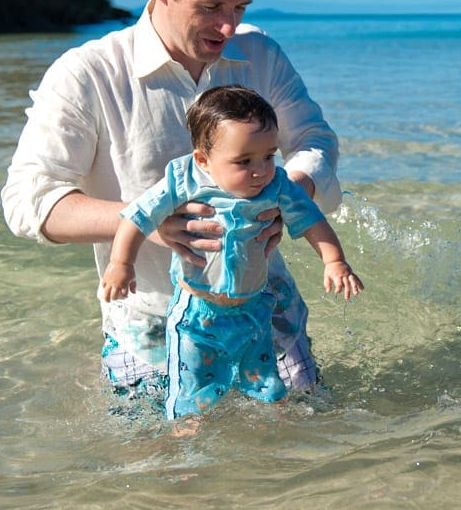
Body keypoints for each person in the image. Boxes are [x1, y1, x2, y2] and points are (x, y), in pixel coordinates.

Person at [1, 0, 340, 399]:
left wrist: (288, 190)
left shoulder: (261, 54)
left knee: (310, 450)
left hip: (267, 307)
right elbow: (28, 203)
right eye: (212, 6)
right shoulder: (87, 73)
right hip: (147, 326)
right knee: (157, 471)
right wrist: (145, 220)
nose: (230, 26)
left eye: (241, 6)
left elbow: (315, 139)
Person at [101, 86, 362, 418]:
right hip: (198, 317)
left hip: (253, 312)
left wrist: (334, 261)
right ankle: (188, 453)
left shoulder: (277, 186)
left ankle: (277, 456)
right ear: (203, 160)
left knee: (270, 393)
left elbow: (312, 220)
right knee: (190, 400)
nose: (261, 170)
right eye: (244, 161)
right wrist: (121, 263)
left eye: (269, 155)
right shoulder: (182, 180)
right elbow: (136, 218)